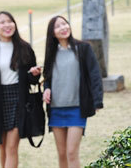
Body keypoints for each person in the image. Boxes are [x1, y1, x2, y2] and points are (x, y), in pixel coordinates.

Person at [0, 11, 42, 168]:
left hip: (19, 100)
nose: (7, 25)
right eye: (2, 22)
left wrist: (35, 75)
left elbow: (32, 80)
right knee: (2, 146)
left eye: (10, 21)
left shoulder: (24, 48)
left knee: (12, 147)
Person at [42, 15, 103, 168]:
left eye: (64, 24)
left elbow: (95, 74)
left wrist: (97, 100)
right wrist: (46, 88)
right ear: (52, 33)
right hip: (56, 109)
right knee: (62, 155)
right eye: (58, 26)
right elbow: (47, 77)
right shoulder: (51, 52)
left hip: (77, 109)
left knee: (71, 153)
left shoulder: (83, 48)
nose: (63, 28)